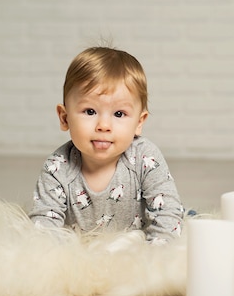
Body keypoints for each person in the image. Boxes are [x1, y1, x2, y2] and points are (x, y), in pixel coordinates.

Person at [29, 46, 184, 244]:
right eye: (90, 111)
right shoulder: (57, 168)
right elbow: (43, 226)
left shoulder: (145, 158)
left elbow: (168, 212)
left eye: (119, 114)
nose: (103, 126)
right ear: (64, 117)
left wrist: (156, 256)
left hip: (136, 247)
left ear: (139, 122)